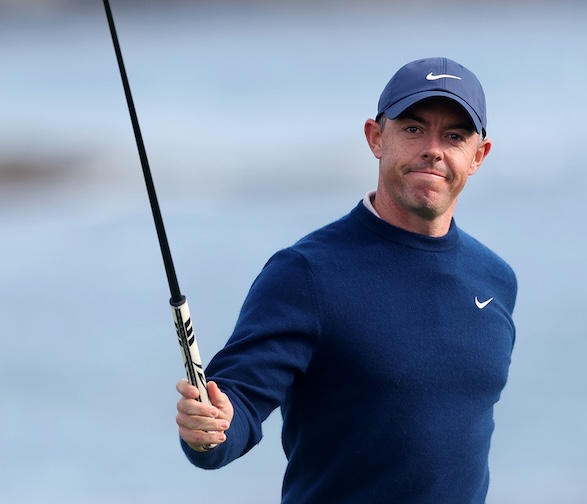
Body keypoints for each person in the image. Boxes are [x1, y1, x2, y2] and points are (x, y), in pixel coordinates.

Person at [175, 56, 518, 503]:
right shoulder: (306, 273)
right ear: (376, 137)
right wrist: (209, 432)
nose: (433, 149)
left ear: (478, 156)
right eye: (413, 129)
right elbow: (234, 403)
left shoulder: (495, 280)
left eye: (454, 136)